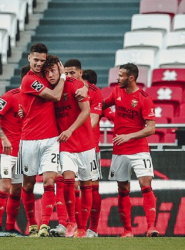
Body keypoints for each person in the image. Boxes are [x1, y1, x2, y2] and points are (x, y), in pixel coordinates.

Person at [103, 63, 159, 237]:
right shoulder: (116, 93)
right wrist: (113, 118)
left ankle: (151, 228)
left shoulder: (144, 99)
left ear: (131, 78)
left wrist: (129, 136)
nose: (117, 78)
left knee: (145, 184)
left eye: (121, 75)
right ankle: (127, 230)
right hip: (119, 150)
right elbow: (102, 106)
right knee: (122, 188)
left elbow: (151, 128)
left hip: (139, 149)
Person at [17, 43, 66, 237]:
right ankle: (33, 224)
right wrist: (62, 76)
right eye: (35, 59)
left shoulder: (46, 76)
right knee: (28, 185)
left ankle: (45, 224)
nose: (38, 64)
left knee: (49, 181)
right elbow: (55, 96)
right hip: (29, 139)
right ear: (29, 58)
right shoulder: (29, 80)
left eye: (42, 61)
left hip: (51, 139)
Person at [44, 56, 95, 238]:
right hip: (65, 145)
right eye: (47, 72)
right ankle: (70, 222)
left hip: (86, 143)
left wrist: (70, 129)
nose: (50, 75)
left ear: (60, 70)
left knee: (87, 184)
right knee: (68, 181)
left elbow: (86, 110)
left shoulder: (75, 85)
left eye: (53, 71)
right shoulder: (48, 88)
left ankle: (82, 227)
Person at [82, 69, 114, 237]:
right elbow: (112, 116)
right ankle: (89, 228)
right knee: (90, 189)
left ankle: (84, 227)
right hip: (89, 148)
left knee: (82, 189)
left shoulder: (93, 95)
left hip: (86, 148)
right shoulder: (97, 99)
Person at [0, 87, 23, 237]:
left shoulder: (35, 99)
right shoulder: (11, 96)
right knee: (5, 186)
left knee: (16, 189)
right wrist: (4, 138)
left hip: (21, 150)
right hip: (3, 150)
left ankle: (10, 228)